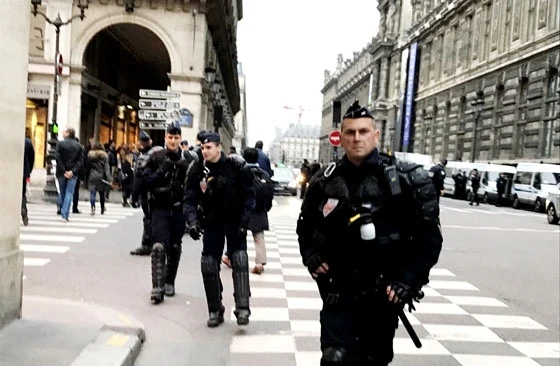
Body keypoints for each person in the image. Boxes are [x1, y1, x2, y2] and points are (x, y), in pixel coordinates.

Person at [296, 101, 443, 366]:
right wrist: (311, 257)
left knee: (371, 360)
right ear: (341, 138)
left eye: (363, 131)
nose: (357, 138)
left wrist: (407, 281)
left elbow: (429, 240)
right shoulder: (324, 180)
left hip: (382, 293)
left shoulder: (406, 179)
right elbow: (305, 226)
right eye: (350, 132)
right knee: (334, 359)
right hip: (338, 289)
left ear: (376, 135)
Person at [184, 131, 255, 328]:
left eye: (208, 147)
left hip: (235, 221)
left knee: (239, 259)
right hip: (212, 222)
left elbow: (250, 195)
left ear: (218, 147)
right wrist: (192, 222)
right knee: (208, 263)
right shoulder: (197, 169)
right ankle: (215, 309)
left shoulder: (236, 166)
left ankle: (242, 308)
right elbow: (189, 198)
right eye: (202, 147)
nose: (204, 151)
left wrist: (244, 222)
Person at [142, 122, 191, 304]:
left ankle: (170, 281)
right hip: (159, 208)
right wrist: (163, 170)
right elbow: (145, 182)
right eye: (170, 137)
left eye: (176, 137)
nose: (172, 140)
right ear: (165, 138)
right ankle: (157, 287)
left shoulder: (187, 160)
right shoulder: (156, 157)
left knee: (175, 246)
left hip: (178, 209)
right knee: (158, 247)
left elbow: (193, 187)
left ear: (180, 139)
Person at [222, 147, 273, 274]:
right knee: (259, 236)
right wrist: (266, 208)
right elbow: (269, 194)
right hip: (259, 210)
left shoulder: (240, 172)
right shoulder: (264, 174)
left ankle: (231, 257)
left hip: (243, 209)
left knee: (238, 234)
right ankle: (260, 262)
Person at [130, 131, 163, 256]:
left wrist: (134, 197)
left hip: (147, 193)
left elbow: (138, 179)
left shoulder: (143, 158)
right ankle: (159, 243)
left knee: (148, 218)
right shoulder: (160, 153)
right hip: (160, 192)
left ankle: (147, 244)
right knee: (157, 218)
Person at [55, 127, 84, 222]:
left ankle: (63, 210)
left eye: (64, 131)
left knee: (62, 192)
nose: (63, 132)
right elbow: (80, 161)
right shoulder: (78, 146)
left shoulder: (60, 144)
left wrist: (64, 171)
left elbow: (58, 158)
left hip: (61, 172)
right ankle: (65, 214)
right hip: (73, 173)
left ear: (68, 133)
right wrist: (72, 171)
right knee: (69, 193)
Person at [86, 143, 112, 215]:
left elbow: (87, 167)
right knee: (102, 193)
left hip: (92, 175)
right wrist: (109, 179)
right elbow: (107, 169)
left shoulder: (90, 156)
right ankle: (102, 208)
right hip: (101, 176)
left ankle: (92, 208)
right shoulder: (105, 156)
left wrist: (86, 177)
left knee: (92, 193)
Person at [22, 137, 35, 226]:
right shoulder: (27, 142)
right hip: (23, 171)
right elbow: (32, 158)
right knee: (22, 193)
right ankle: (23, 209)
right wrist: (28, 171)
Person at [72, 138, 85, 214]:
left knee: (64, 191)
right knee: (75, 191)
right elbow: (81, 164)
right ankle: (74, 207)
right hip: (76, 173)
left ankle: (60, 207)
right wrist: (82, 177)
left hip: (65, 172)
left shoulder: (65, 147)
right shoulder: (80, 150)